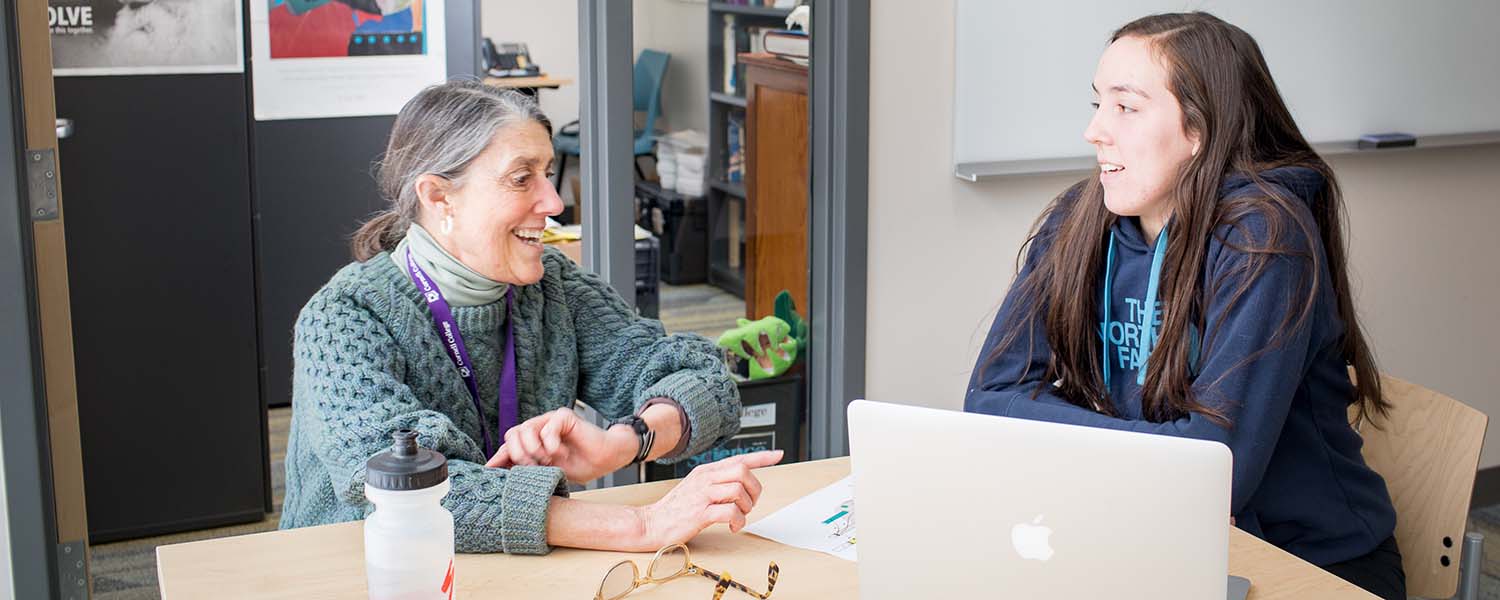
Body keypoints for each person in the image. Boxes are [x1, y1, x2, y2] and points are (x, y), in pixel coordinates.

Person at [964, 13, 1403, 599]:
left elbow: (1215, 472)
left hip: (1308, 562)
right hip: (1148, 534)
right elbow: (988, 400)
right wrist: (1165, 455)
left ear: (1199, 129)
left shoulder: (1263, 238)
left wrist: (1059, 431)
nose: (1095, 131)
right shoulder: (1078, 221)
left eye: (1126, 107)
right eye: (1098, 104)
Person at [281, 80, 777, 555]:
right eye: (522, 179)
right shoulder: (344, 318)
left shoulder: (552, 285)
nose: (554, 202)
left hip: (515, 564)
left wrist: (625, 442)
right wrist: (643, 523)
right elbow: (408, 488)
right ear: (438, 197)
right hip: (368, 572)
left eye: (547, 172)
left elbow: (703, 380)